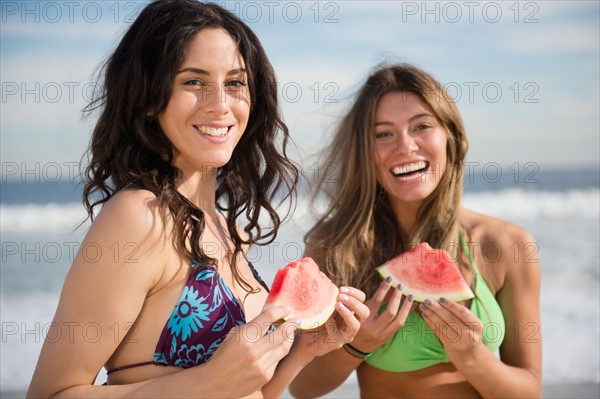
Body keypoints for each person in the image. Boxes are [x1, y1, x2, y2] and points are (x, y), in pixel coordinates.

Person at [26, 1, 368, 397]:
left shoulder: (229, 230)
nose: (220, 104)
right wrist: (205, 381)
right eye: (193, 81)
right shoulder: (138, 216)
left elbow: (245, 390)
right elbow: (51, 393)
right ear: (151, 98)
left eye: (235, 83)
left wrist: (303, 351)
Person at [289, 64, 542, 398]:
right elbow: (303, 387)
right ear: (365, 151)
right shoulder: (336, 246)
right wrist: (357, 346)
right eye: (383, 133)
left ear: (451, 136)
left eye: (421, 126)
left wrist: (472, 356)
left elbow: (530, 391)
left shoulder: (508, 245)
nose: (405, 146)